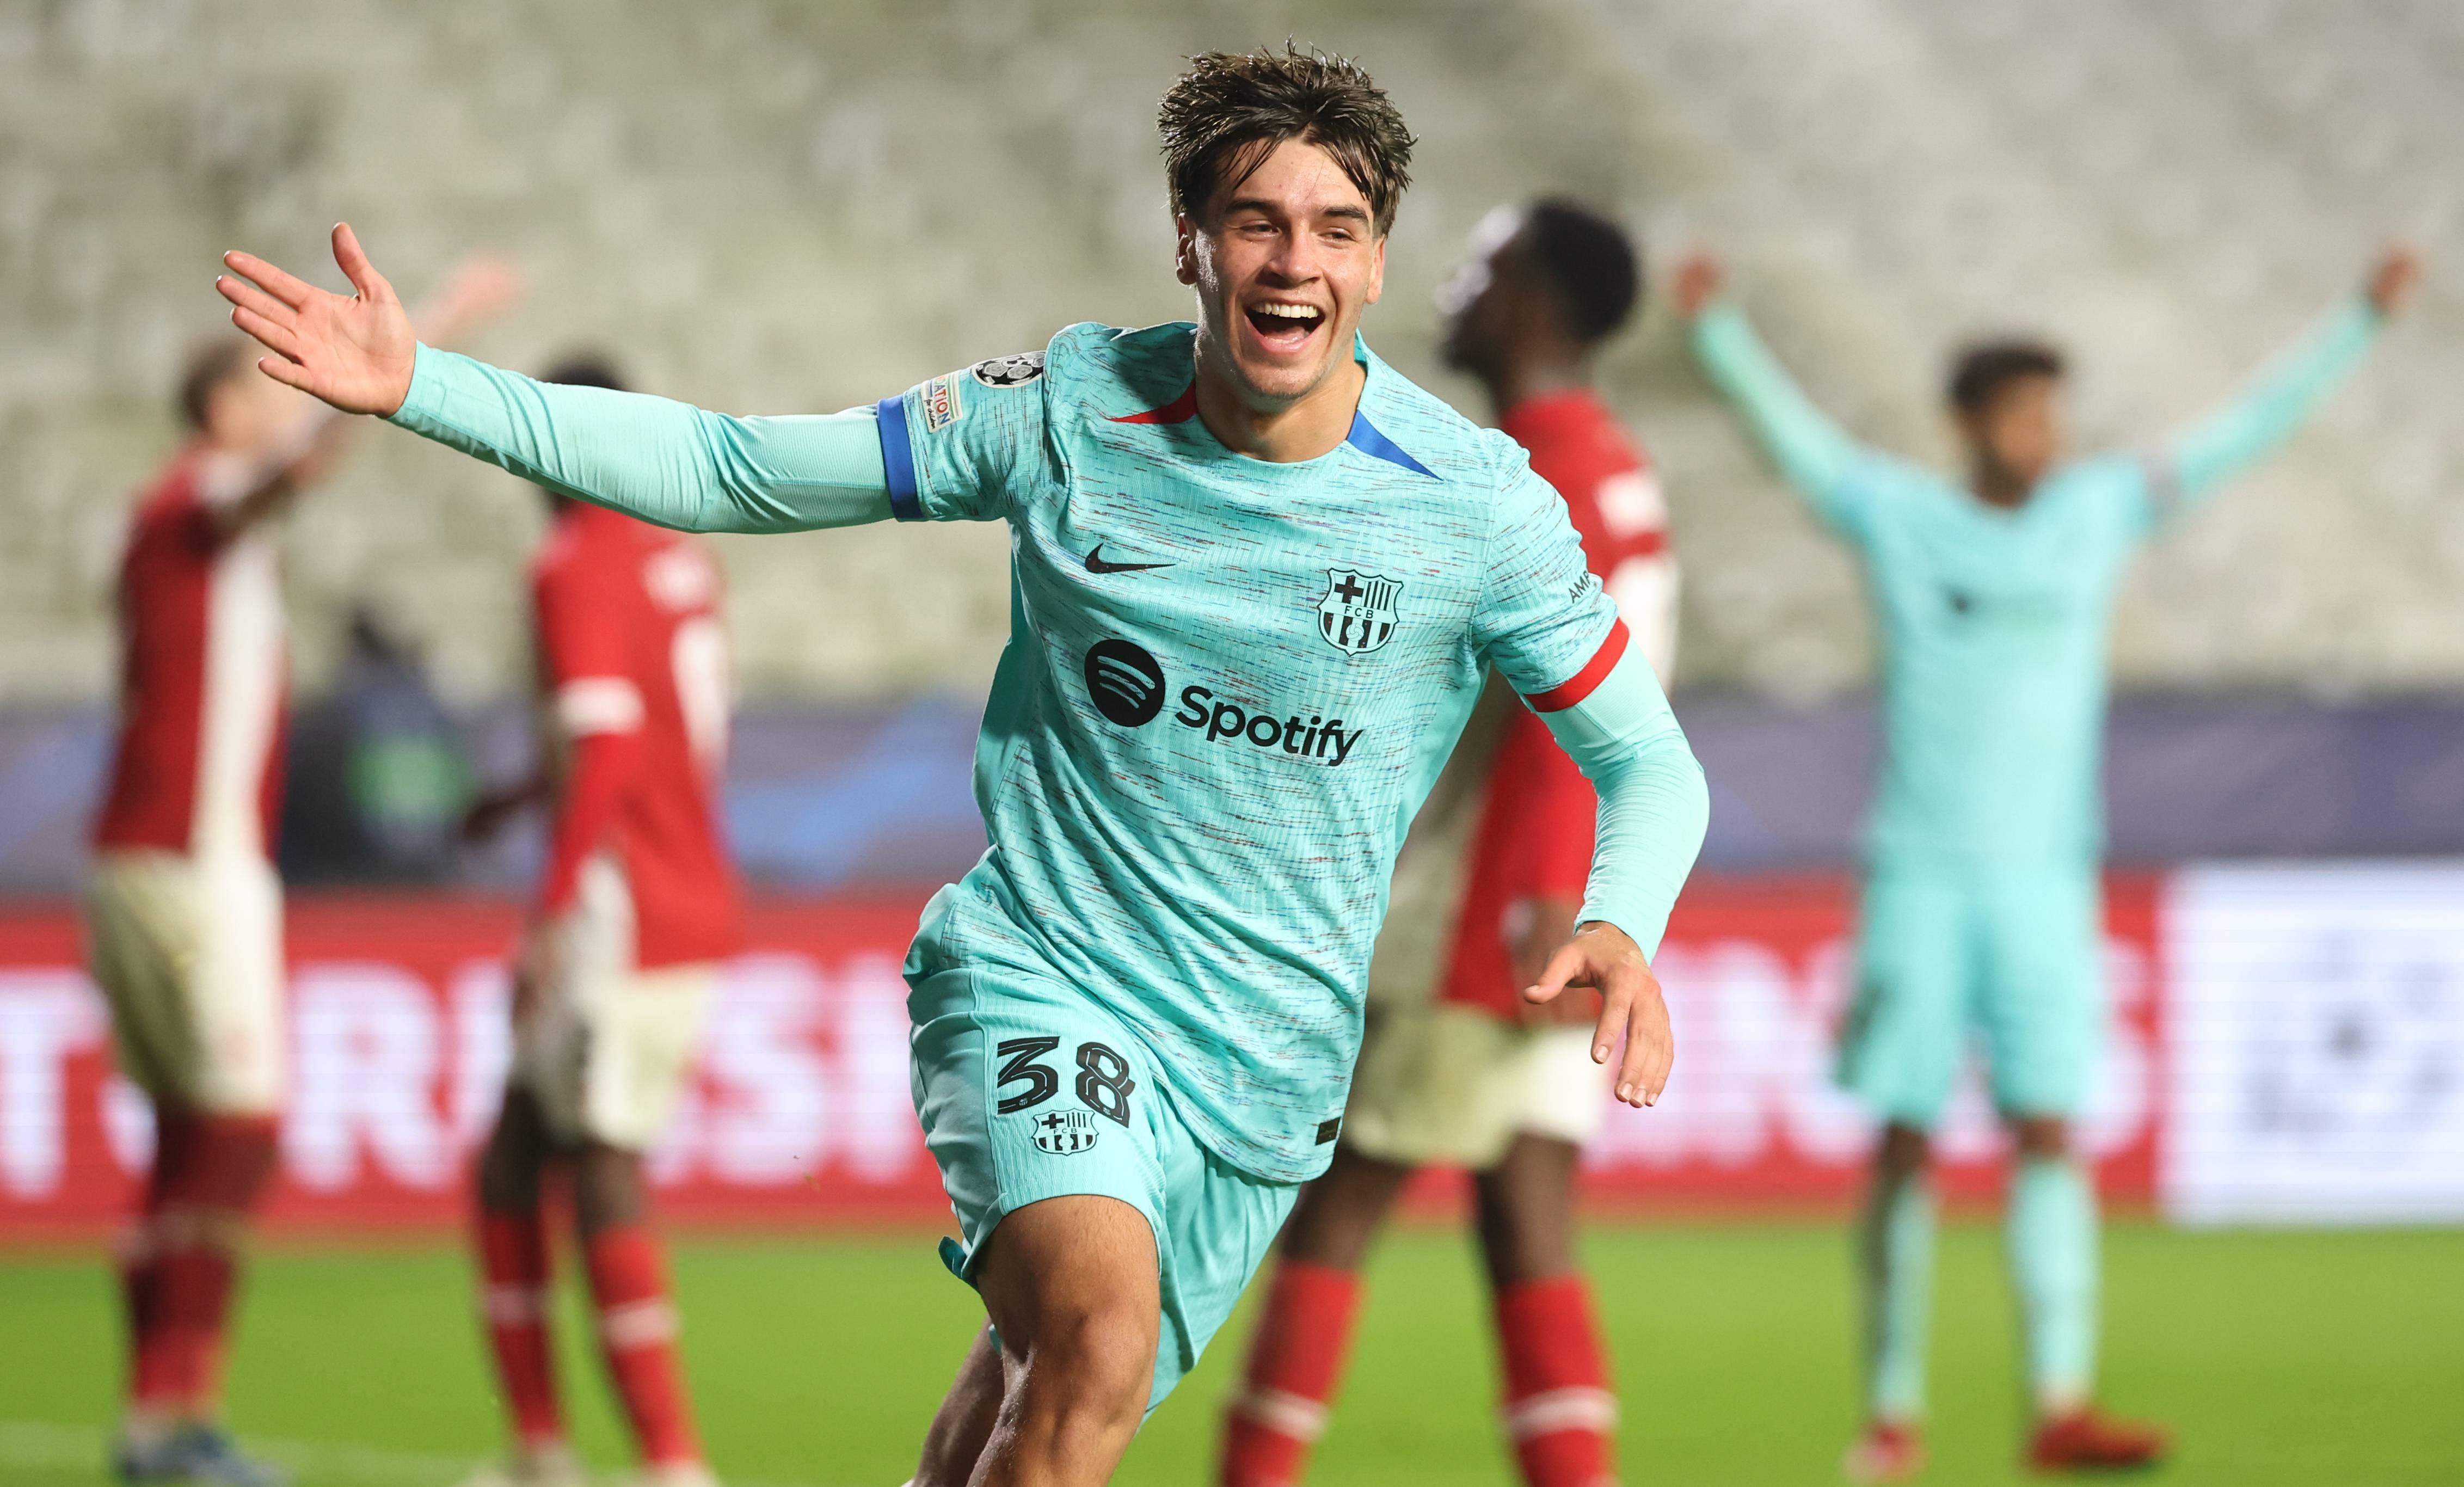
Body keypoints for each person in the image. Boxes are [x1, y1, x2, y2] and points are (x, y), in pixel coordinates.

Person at [213, 45, 1711, 1487]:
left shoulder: (1474, 508)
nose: (1293, 263)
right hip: (1044, 972)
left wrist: (1623, 916)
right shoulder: (1061, 413)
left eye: (1335, 228)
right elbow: (735, 466)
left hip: (1265, 1065)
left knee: (1034, 1388)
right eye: (1255, 221)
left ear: (1379, 261)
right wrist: (425, 385)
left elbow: (1649, 760)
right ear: (1188, 241)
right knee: (1098, 1337)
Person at [1669, 243, 2420, 1479]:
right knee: (1902, 1139)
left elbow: (2246, 429)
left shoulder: (2097, 509)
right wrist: (1718, 339)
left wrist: (2354, 319)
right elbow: (1791, 447)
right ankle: (1891, 1413)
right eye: (2018, 414)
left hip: (2040, 879)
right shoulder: (1901, 516)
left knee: (2049, 1127)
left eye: (2048, 415)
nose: (2040, 435)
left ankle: (2059, 1400)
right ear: (1966, 424)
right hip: (1919, 870)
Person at [1220, 199, 1675, 1487]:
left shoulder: (1533, 468)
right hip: (1587, 898)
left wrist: (1533, 890)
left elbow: (1559, 709)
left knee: (1342, 1192)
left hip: (1501, 904)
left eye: (1486, 263)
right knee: (1526, 1220)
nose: (1458, 283)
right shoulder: (1605, 457)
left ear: (1535, 299)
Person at [87, 263, 516, 1485]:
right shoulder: (202, 496)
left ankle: (151, 1418)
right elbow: (300, 460)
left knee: (186, 1142)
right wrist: (430, 329)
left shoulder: (168, 518)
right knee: (241, 1130)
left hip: (144, 862)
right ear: (221, 409)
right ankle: (179, 1414)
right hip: (188, 867)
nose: (282, 403)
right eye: (262, 391)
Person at [446, 356, 743, 1487]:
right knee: (511, 1160)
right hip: (685, 880)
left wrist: (549, 908)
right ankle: (536, 1450)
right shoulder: (677, 557)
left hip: (623, 909)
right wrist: (526, 791)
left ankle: (672, 1463)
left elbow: (612, 749)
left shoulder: (571, 564)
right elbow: (651, 728)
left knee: (602, 1156)